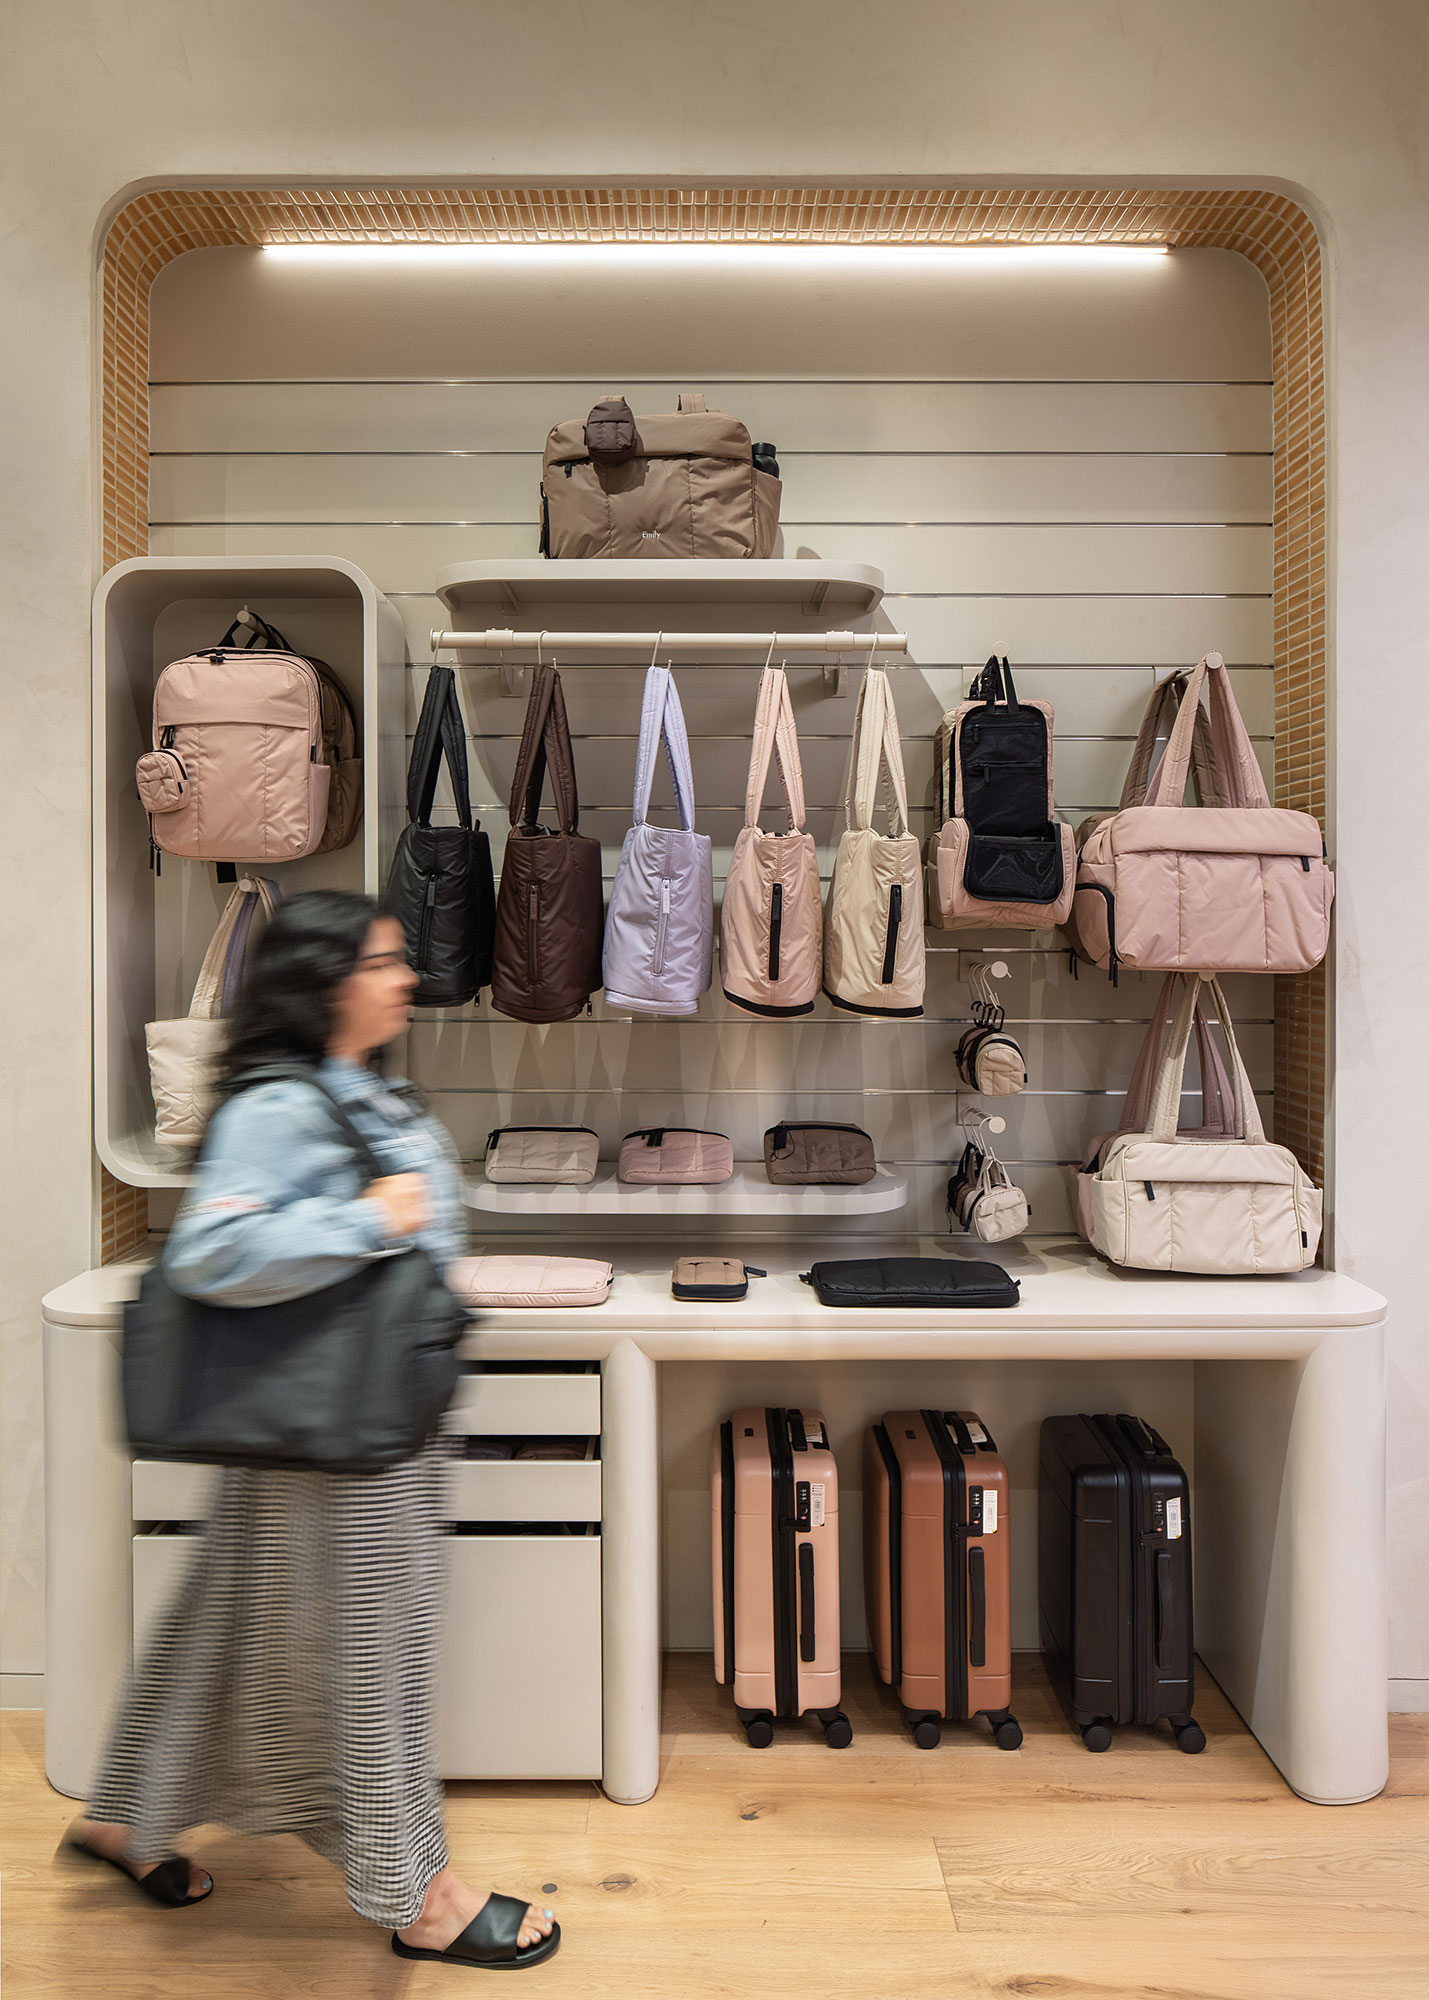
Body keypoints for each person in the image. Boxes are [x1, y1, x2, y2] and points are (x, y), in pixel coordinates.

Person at [67, 891, 560, 1972]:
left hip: (346, 1419)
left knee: (224, 1627)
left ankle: (125, 1815)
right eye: (381, 962)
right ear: (320, 982)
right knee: (373, 1659)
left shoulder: (352, 1086)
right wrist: (371, 1217)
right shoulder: (281, 1106)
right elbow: (210, 1254)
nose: (406, 978)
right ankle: (418, 1892)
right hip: (342, 1441)